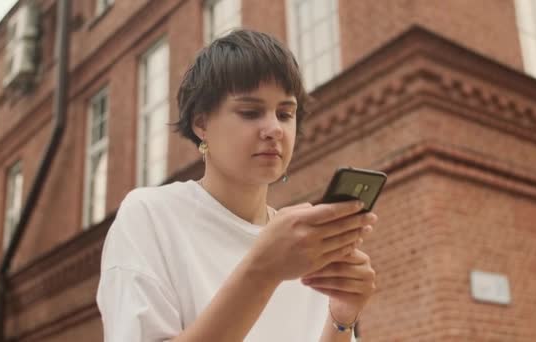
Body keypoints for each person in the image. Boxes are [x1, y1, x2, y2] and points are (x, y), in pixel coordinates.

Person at [96, 29, 378, 342]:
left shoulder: (303, 243)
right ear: (201, 124)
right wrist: (263, 270)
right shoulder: (150, 216)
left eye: (285, 113)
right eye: (250, 112)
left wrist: (341, 319)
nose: (274, 129)